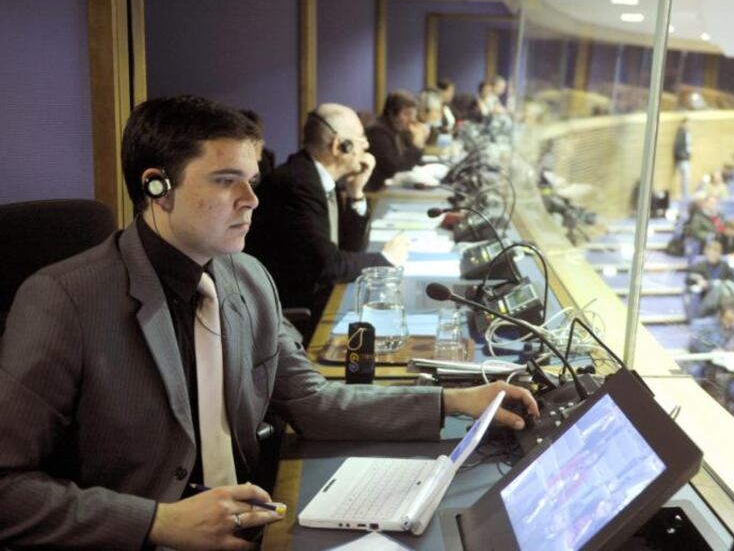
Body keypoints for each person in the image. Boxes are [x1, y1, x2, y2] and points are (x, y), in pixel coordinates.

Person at [0, 95, 539, 550]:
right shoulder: (63, 300)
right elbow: (7, 488)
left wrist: (454, 403)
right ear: (157, 186)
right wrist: (158, 522)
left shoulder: (247, 278)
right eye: (226, 181)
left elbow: (315, 403)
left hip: (252, 528)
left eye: (252, 180)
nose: (252, 200)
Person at [246, 104, 410, 335]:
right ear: (339, 146)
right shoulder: (297, 184)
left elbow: (348, 249)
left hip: (320, 300)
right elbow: (329, 265)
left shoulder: (316, 179)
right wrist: (385, 259)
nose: (367, 145)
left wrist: (356, 193)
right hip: (297, 319)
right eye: (361, 137)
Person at [365, 90, 429, 191]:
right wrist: (417, 145)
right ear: (391, 113)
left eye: (413, 114)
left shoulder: (400, 129)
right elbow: (395, 168)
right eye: (407, 114)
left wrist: (417, 144)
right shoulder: (377, 133)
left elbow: (410, 160)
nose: (412, 119)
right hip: (378, 192)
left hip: (394, 186)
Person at [686, 240, 734, 317]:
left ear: (720, 253)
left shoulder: (725, 266)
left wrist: (711, 284)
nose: (713, 254)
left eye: (716, 251)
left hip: (723, 298)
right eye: (710, 251)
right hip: (705, 299)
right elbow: (688, 280)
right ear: (705, 252)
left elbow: (732, 281)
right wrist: (698, 281)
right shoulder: (698, 266)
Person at [673, 118, 692, 197]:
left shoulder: (687, 133)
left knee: (686, 178)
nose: (689, 125)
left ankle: (685, 194)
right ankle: (684, 195)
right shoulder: (681, 133)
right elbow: (677, 146)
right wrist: (683, 156)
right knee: (685, 178)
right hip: (682, 159)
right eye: (687, 123)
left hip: (686, 158)